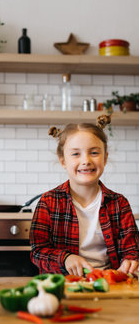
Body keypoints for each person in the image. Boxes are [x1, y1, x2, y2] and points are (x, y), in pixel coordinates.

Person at [30, 115, 139, 276]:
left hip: (109, 283)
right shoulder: (48, 202)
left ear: (105, 157)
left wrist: (130, 263)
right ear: (63, 161)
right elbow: (38, 251)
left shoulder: (119, 203)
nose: (86, 160)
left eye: (94, 152)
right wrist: (66, 259)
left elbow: (131, 250)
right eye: (75, 154)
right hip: (65, 284)